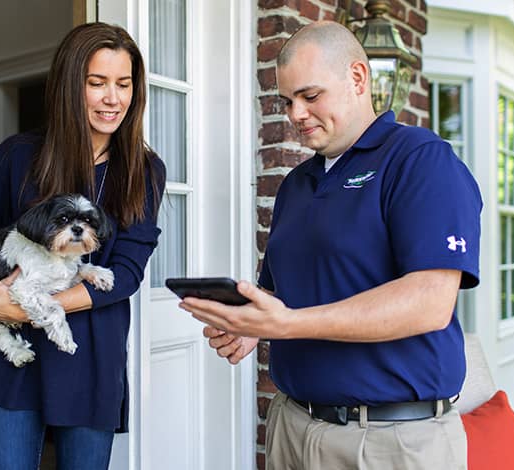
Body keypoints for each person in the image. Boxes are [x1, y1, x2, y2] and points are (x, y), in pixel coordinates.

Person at [180, 21, 481, 470]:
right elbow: (287, 299)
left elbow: (429, 302)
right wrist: (253, 325)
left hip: (390, 440)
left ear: (358, 78)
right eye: (287, 101)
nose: (295, 113)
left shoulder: (419, 159)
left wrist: (288, 324)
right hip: (292, 428)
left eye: (310, 95)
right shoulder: (296, 185)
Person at [0, 22, 165, 470]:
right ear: (72, 86)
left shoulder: (144, 171)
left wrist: (30, 308)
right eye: (97, 83)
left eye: (124, 84)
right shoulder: (19, 156)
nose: (114, 98)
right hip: (10, 364)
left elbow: (127, 273)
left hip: (91, 358)